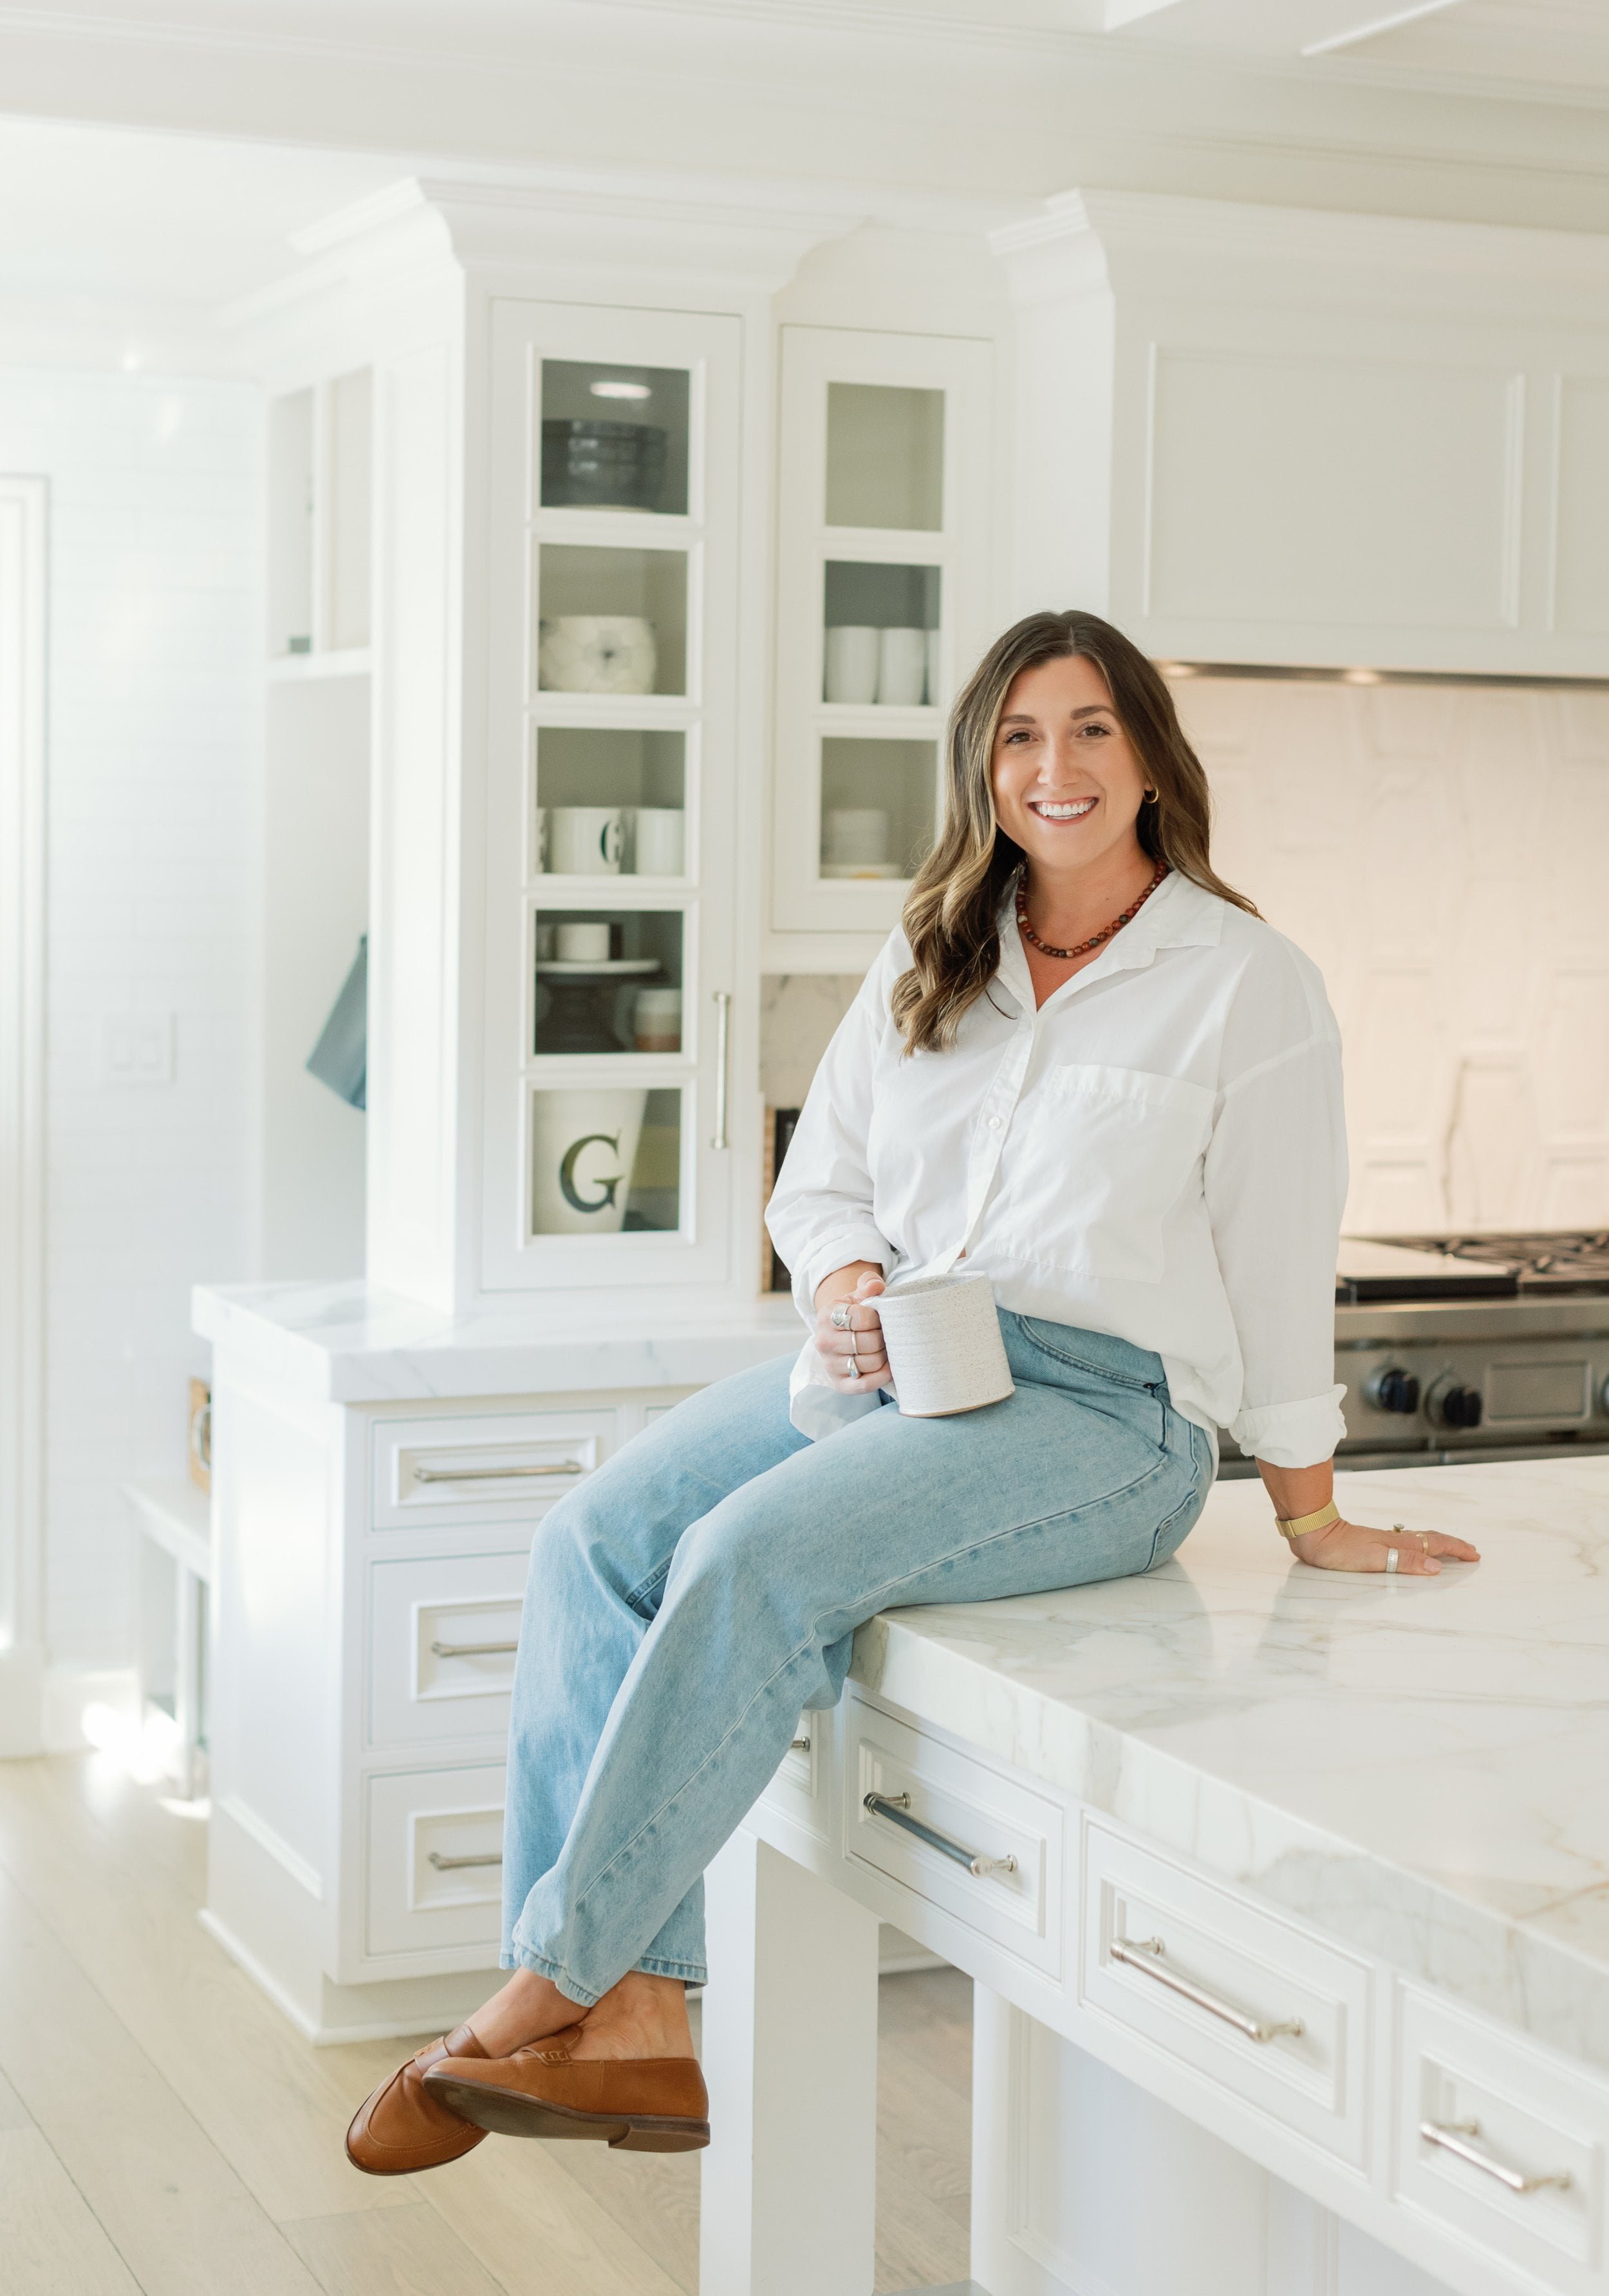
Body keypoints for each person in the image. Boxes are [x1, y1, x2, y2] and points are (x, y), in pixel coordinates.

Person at [345, 608, 1479, 2175]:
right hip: (898, 1363)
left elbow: (1278, 1259)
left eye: (1089, 727)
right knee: (592, 1535)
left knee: (746, 1564)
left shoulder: (1242, 980)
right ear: (981, 766)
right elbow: (822, 1186)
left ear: (1149, 753)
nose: (1054, 764)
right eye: (1018, 734)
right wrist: (844, 1284)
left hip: (1104, 1417)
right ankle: (649, 2018)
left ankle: (544, 1988)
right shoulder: (932, 943)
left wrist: (1311, 1507)